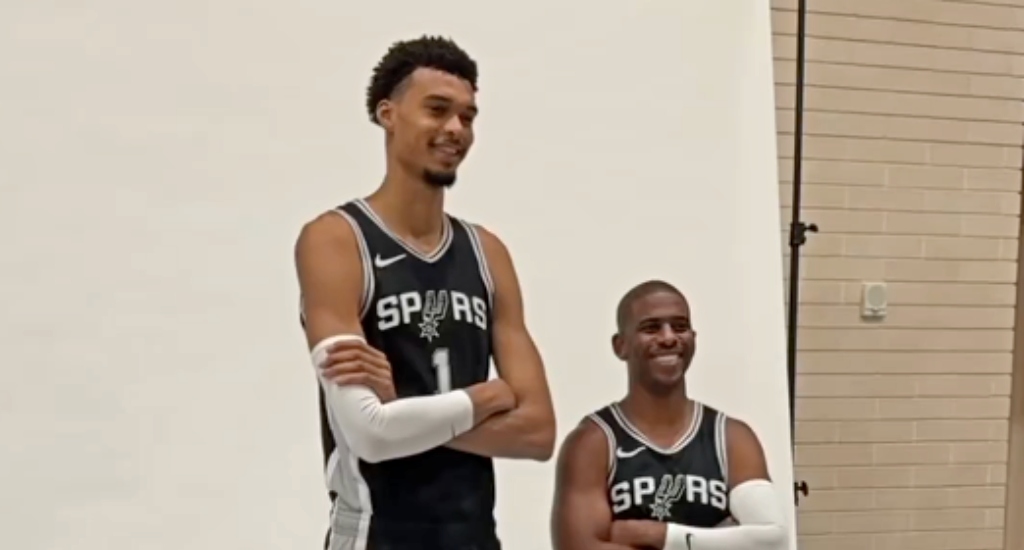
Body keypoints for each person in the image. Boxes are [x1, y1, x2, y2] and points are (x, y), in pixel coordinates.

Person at [294, 35, 556, 550]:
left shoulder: (488, 252)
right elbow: (369, 434)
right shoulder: (335, 239)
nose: (456, 129)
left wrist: (409, 413)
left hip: (476, 537)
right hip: (375, 535)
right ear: (387, 114)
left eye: (468, 116)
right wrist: (488, 397)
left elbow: (538, 433)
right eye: (438, 110)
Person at [550, 280, 787, 550]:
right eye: (651, 328)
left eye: (680, 326)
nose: (668, 338)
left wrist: (657, 535)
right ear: (621, 346)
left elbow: (772, 541)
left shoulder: (731, 436)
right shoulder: (593, 441)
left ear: (693, 339)